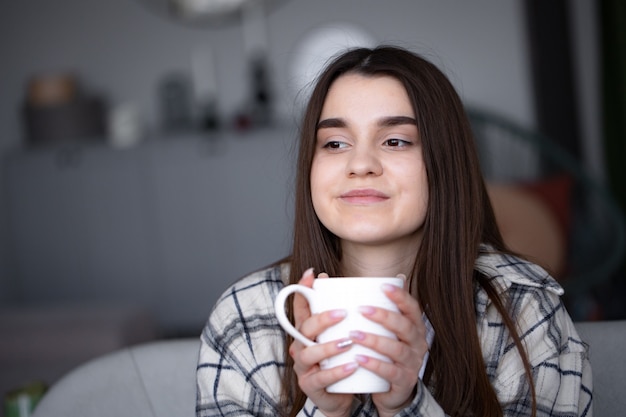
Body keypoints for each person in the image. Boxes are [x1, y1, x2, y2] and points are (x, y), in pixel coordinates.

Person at [196, 45, 592, 417]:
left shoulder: (522, 310)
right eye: (334, 143)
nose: (361, 163)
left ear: (445, 163)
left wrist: (408, 405)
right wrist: (326, 412)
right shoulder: (247, 318)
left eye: (396, 140)